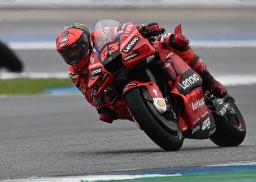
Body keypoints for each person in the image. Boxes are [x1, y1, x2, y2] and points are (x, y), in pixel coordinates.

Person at [55, 22, 229, 123]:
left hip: (129, 56)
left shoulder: (101, 34)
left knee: (175, 41)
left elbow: (124, 31)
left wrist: (145, 28)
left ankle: (210, 81)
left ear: (86, 40)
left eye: (76, 49)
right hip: (114, 83)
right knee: (110, 110)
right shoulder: (75, 73)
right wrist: (100, 101)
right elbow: (90, 96)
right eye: (68, 54)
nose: (74, 56)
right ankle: (149, 117)